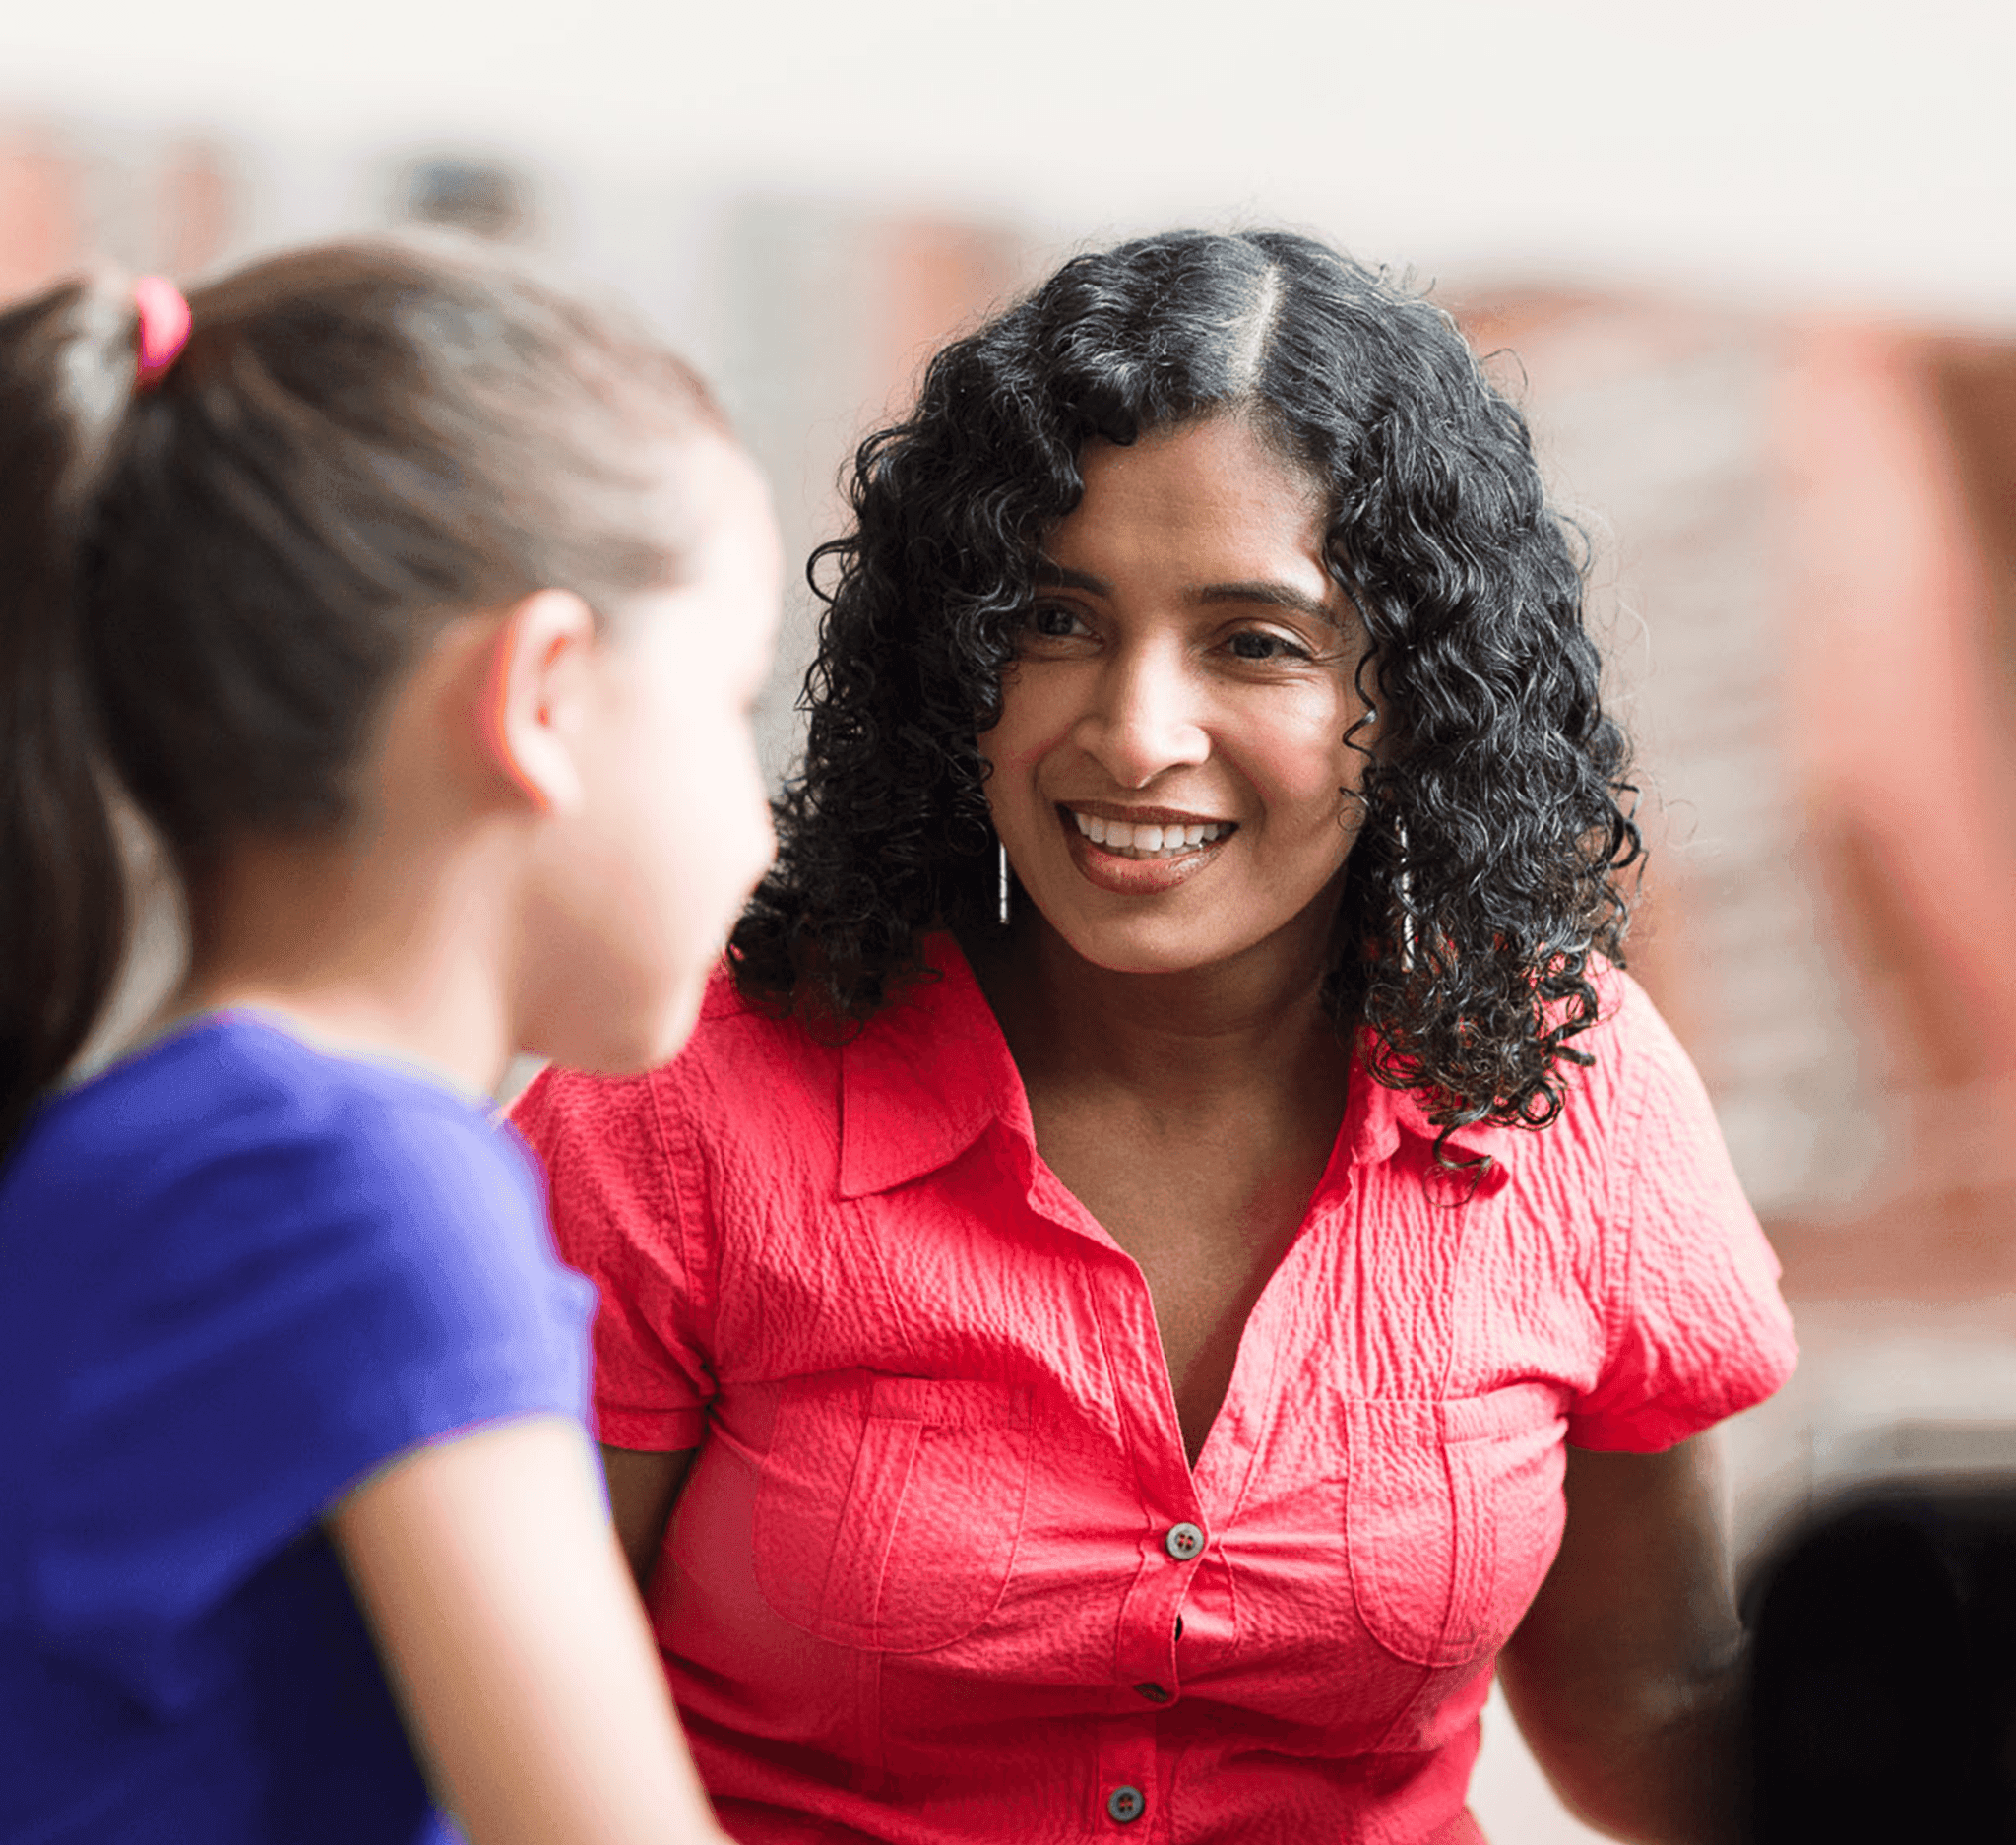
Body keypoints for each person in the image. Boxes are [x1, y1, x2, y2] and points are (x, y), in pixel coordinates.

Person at [513, 228, 1798, 1844]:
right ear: (954, 650)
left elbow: (1649, 1700)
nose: (1132, 730)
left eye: (1254, 639)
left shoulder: (1575, 1092)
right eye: (1055, 620)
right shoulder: (682, 1096)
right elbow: (489, 1713)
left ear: (1408, 699)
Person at [0, 239, 782, 1843]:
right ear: (544, 694)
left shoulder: (154, 1139)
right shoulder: (360, 1191)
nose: (764, 832)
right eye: (730, 702)